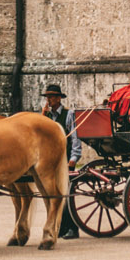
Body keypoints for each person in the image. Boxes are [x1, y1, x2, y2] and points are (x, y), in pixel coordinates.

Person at [42, 83, 80, 238]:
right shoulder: (48, 116)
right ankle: (62, 227)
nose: (48, 100)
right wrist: (42, 117)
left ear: (58, 99)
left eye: (51, 97)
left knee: (66, 194)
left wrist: (74, 158)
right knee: (56, 194)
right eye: (48, 97)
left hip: (66, 159)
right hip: (53, 161)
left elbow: (75, 138)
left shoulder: (68, 114)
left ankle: (73, 228)